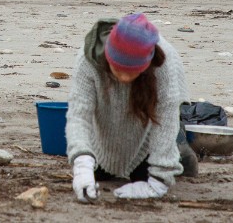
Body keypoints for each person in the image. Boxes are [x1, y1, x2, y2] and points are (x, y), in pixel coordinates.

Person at [67, 13, 189, 202]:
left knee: (152, 171)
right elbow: (79, 115)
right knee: (100, 173)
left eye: (132, 71)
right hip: (105, 129)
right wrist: (82, 165)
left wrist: (159, 179)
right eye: (119, 69)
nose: (124, 78)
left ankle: (181, 148)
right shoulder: (87, 60)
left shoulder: (164, 64)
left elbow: (165, 118)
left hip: (148, 126)